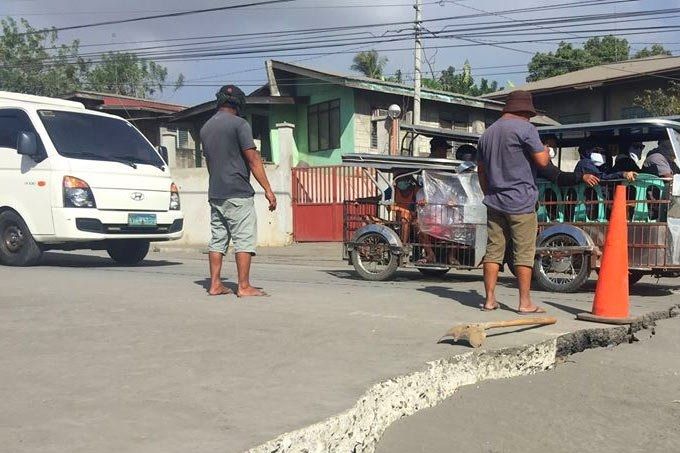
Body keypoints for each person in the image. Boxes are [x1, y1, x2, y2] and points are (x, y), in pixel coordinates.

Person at [476, 90, 597, 314]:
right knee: (524, 252)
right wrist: (545, 149)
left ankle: (490, 300)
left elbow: (481, 171)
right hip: (521, 201)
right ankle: (525, 303)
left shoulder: (487, 134)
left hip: (494, 201)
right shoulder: (526, 129)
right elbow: (543, 162)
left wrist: (489, 193)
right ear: (525, 111)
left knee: (493, 252)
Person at [200, 85, 277, 298]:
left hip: (216, 193)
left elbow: (210, 163)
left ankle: (215, 284)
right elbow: (253, 159)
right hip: (238, 192)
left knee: (217, 240)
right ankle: (244, 286)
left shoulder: (205, 127)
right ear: (238, 103)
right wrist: (268, 190)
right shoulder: (240, 124)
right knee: (244, 239)